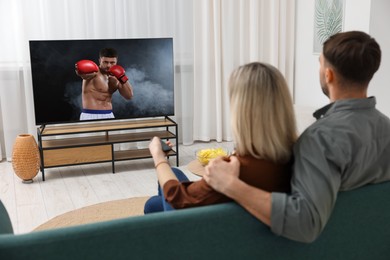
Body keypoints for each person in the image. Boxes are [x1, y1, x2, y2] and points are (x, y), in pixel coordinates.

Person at [203, 31, 390, 243]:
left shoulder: (320, 139)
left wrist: (231, 185)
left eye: (320, 63)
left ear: (328, 74)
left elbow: (305, 223)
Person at [144, 62, 297, 213]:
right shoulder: (297, 155)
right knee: (172, 176)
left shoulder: (233, 171)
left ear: (242, 110)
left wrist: (158, 157)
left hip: (199, 226)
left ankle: (166, 230)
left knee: (152, 205)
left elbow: (177, 198)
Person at [75, 48, 134, 120]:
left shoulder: (117, 76)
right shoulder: (93, 72)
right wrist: (79, 71)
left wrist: (122, 77)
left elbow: (129, 96)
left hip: (109, 114)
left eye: (112, 62)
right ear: (100, 60)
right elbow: (83, 74)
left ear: (116, 61)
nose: (109, 65)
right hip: (91, 115)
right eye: (105, 62)